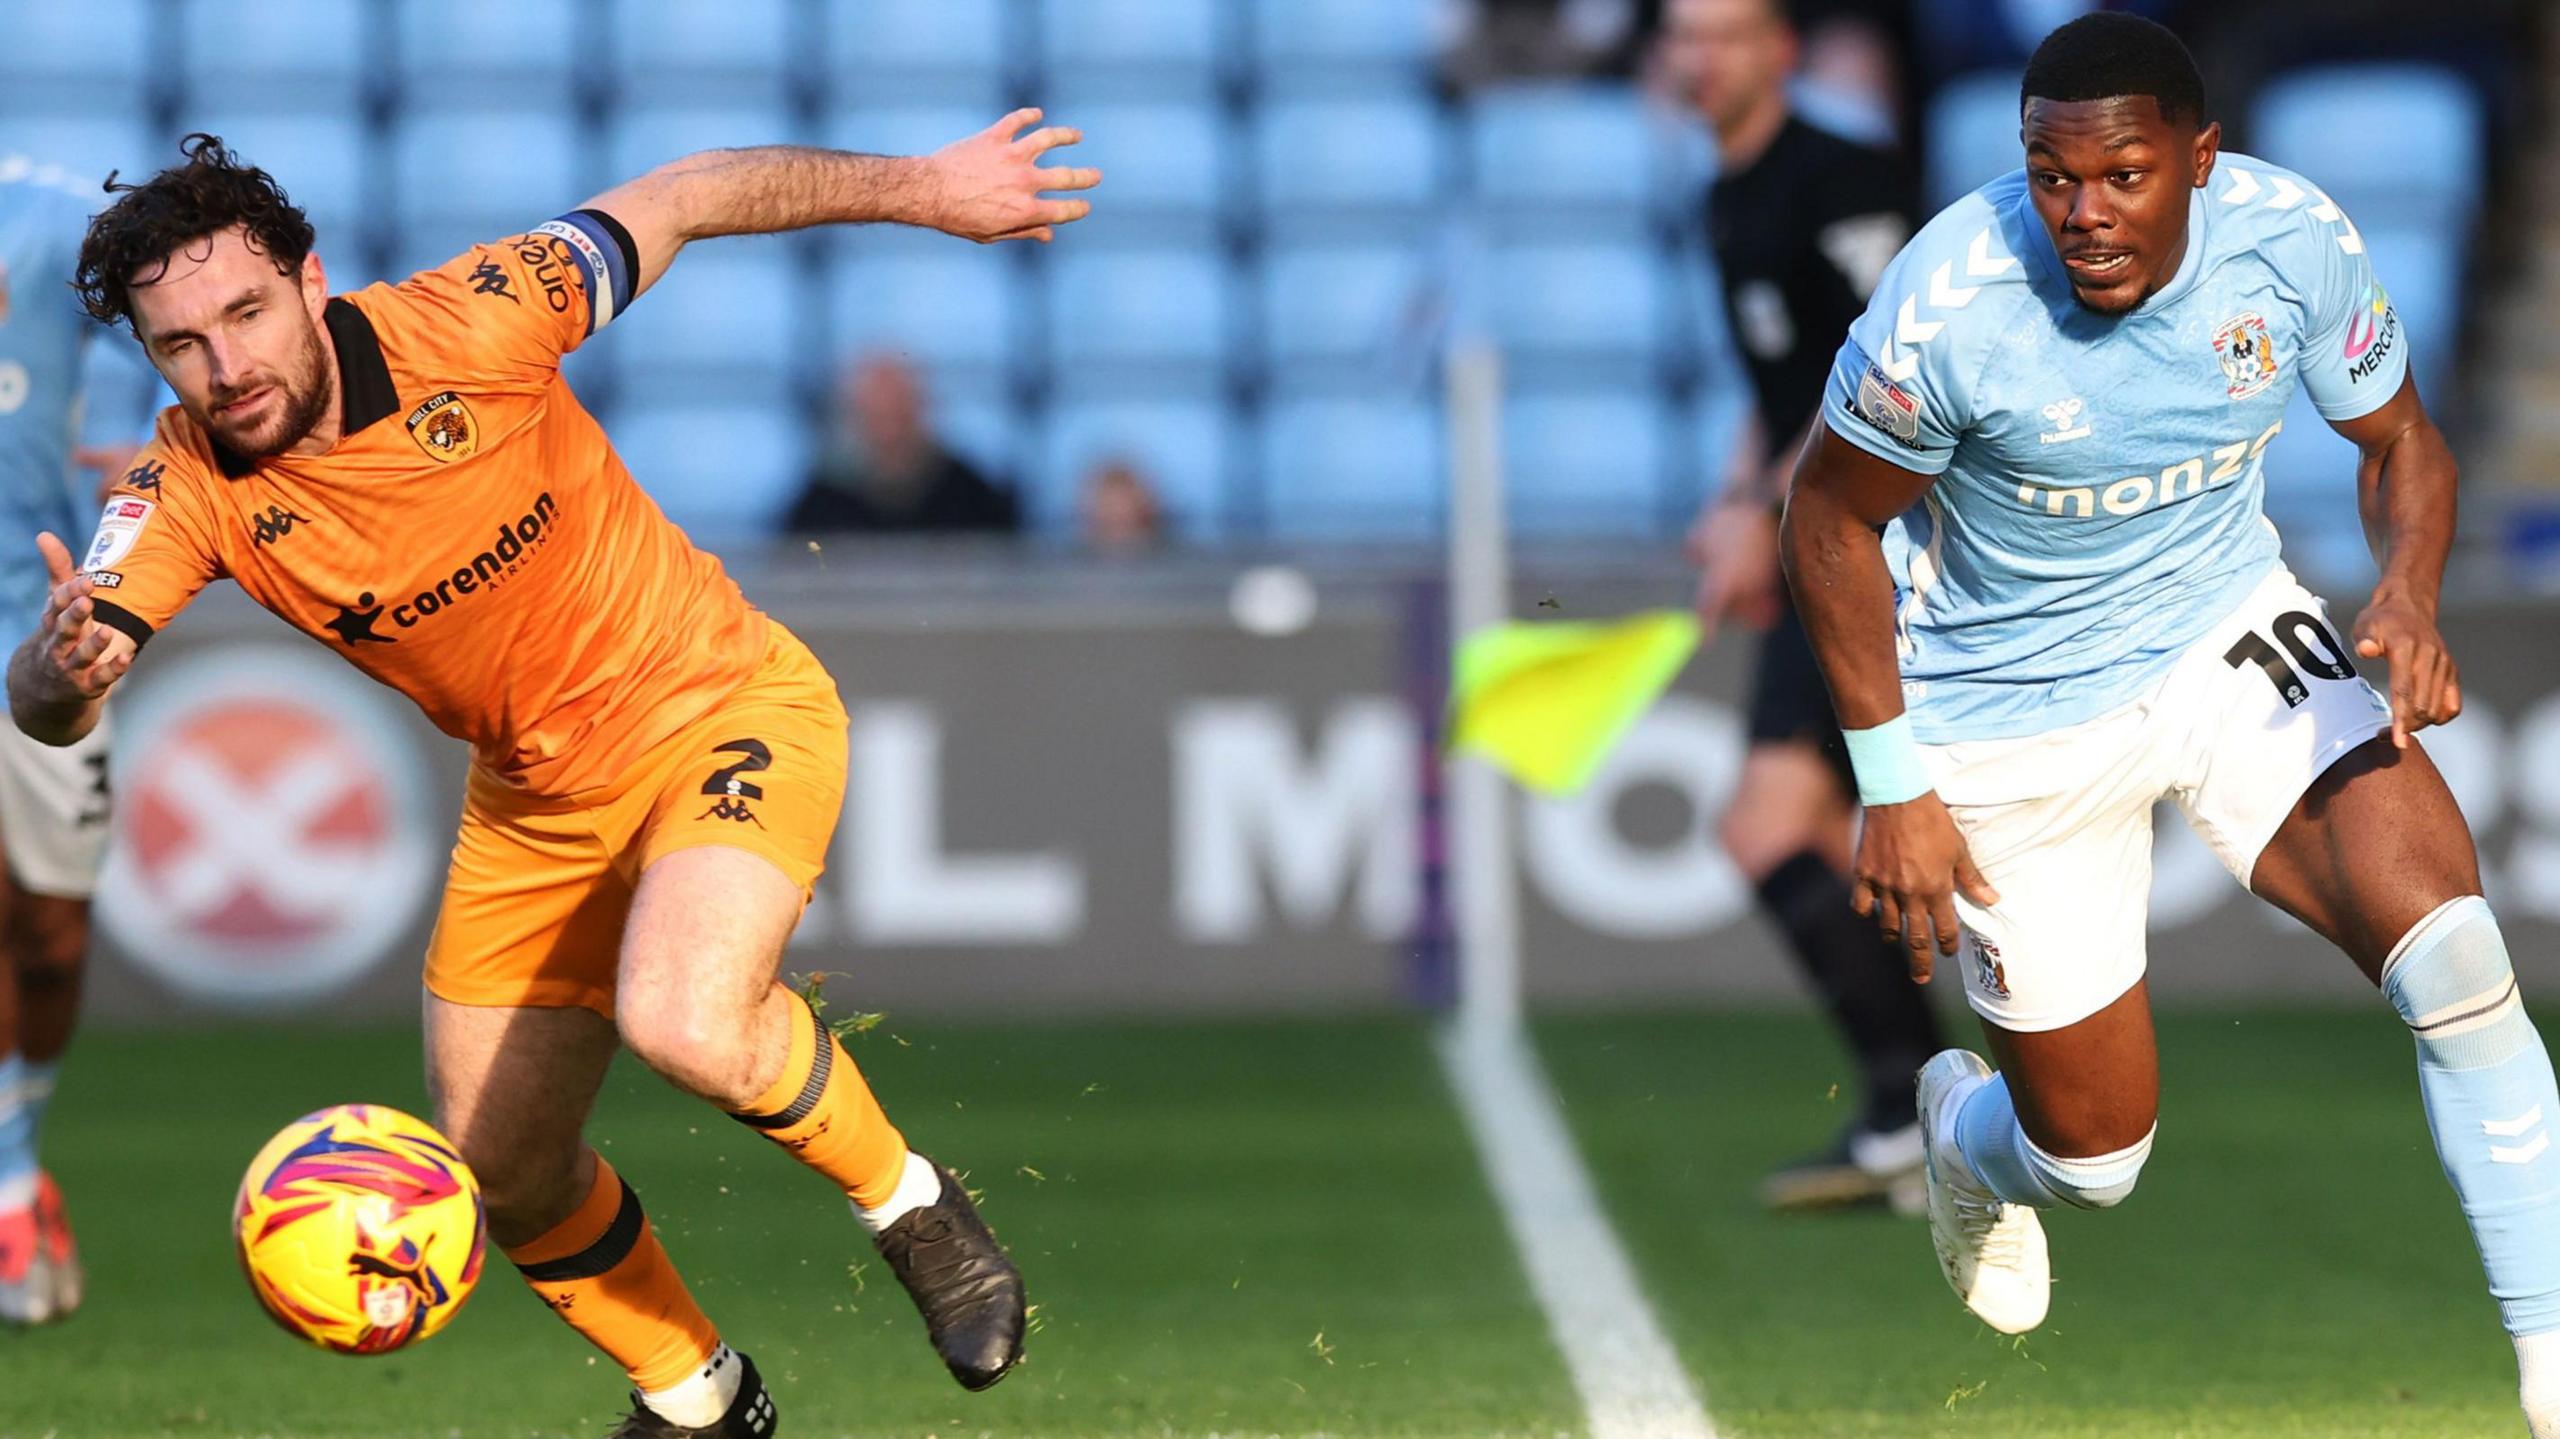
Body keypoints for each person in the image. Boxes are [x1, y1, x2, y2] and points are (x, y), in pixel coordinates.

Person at [12, 119, 1097, 1436]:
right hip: (533, 804)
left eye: (246, 311)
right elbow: (59, 688)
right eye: (182, 344)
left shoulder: (475, 316)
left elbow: (687, 192)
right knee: (501, 1168)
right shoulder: (182, 489)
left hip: (715, 704)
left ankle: (919, 1212)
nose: (226, 364)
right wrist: (61, 675)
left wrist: (925, 187)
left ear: (310, 279)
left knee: (687, 1020)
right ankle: (698, 1394)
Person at [1782, 14, 2560, 1432]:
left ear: (2201, 161)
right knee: (2096, 1159)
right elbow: (1827, 520)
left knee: (2456, 951)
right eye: (2052, 176)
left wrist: (2409, 589)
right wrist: (1893, 783)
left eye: (2123, 175)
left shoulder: (2292, 240)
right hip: (2009, 714)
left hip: (2221, 630)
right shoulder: (1950, 299)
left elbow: (2402, 443)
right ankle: (1968, 1135)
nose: (2082, 214)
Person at [1662, 0, 1943, 1212]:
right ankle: (1928, 1111)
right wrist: (1740, 496)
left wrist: (1762, 510)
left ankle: (1921, 1108)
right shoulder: (1726, 193)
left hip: (1881, 546)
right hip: (1817, 542)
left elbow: (1884, 375)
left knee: (1774, 832)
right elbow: (1781, 390)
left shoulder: (1844, 178)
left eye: (1721, 34)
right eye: (1678, 35)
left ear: (1778, 50)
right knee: (1816, 844)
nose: (1695, 56)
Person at [0, 152, 152, 1326]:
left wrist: (167, 451)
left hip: (33, 625)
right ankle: (4, 1192)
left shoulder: (48, 222)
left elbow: (206, 335)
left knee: (48, 934)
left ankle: (20, 1144)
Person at [784, 353, 1020, 536]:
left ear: (922, 410)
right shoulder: (821, 505)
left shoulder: (973, 499)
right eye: (877, 418)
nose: (890, 434)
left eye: (899, 415)